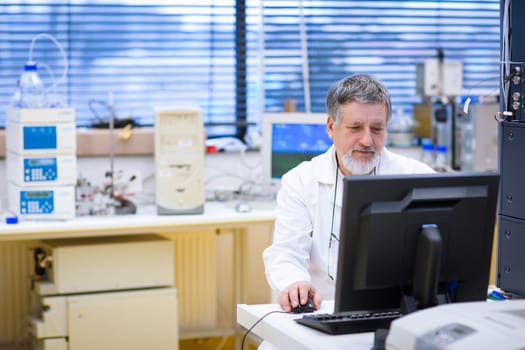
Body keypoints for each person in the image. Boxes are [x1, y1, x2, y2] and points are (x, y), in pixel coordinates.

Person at [262, 73, 435, 314]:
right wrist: (295, 283)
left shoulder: (418, 176)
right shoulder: (301, 181)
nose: (366, 140)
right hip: (324, 308)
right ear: (331, 127)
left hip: (398, 309)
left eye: (377, 129)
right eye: (355, 128)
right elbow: (286, 252)